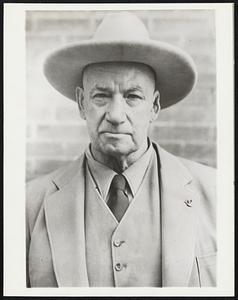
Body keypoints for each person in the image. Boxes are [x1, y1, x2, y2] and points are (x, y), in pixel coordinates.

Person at [26, 12, 216, 287]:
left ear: (154, 106)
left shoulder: (219, 194)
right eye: (101, 95)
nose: (116, 114)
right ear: (81, 103)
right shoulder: (28, 205)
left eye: (133, 96)